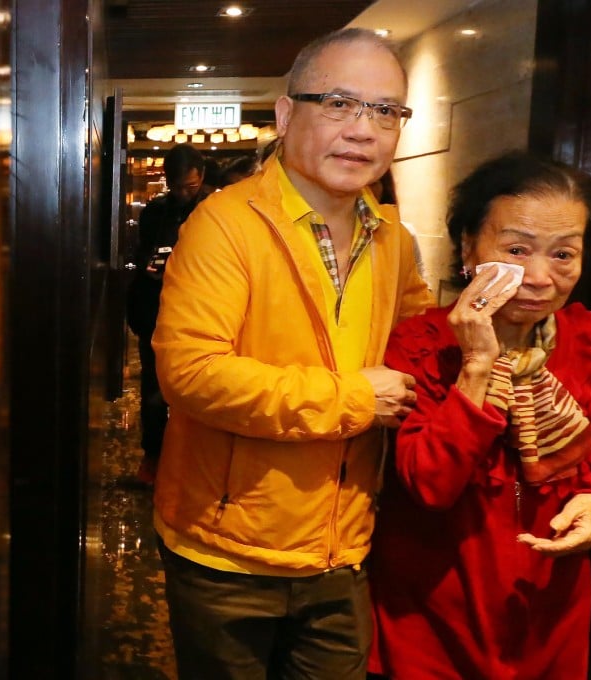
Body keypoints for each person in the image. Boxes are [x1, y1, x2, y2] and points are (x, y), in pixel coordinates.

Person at [150, 28, 431, 679]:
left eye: (385, 111)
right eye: (339, 103)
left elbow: (420, 351)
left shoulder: (392, 239)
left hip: (345, 545)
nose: (363, 129)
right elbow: (192, 375)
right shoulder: (224, 224)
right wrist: (356, 398)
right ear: (285, 115)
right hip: (228, 554)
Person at [371, 151, 591, 680]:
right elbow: (430, 484)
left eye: (563, 254)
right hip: (430, 625)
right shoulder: (419, 345)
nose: (540, 277)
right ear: (467, 247)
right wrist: (478, 366)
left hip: (552, 623)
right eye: (516, 249)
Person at [125, 143, 212, 484]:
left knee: (198, 388)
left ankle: (193, 460)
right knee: (153, 386)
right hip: (156, 308)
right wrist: (150, 269)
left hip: (199, 311)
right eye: (176, 188)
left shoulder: (214, 211)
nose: (182, 195)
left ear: (201, 177)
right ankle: (154, 455)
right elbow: (143, 251)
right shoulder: (155, 211)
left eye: (189, 188)